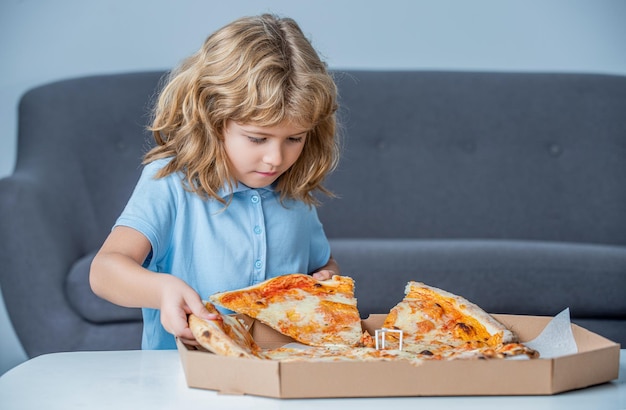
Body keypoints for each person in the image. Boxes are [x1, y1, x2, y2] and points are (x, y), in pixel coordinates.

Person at [89, 14, 341, 350]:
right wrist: (163, 290)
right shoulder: (171, 181)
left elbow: (322, 266)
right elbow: (104, 271)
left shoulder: (293, 193)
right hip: (181, 383)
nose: (276, 159)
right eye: (256, 138)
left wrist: (327, 282)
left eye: (294, 138)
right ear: (212, 119)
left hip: (281, 382)